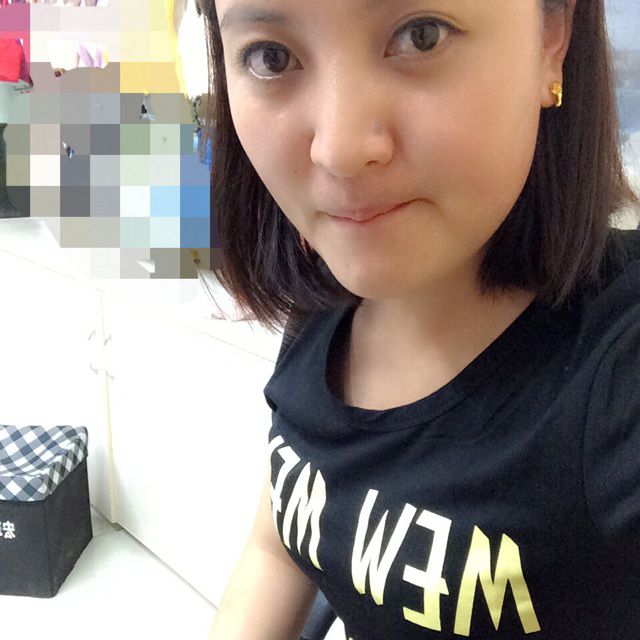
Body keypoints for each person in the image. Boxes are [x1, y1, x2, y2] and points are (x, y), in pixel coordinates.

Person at [203, 0, 640, 638]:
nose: (339, 150)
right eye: (271, 57)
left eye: (421, 35)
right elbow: (275, 549)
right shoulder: (326, 306)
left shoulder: (618, 376)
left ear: (552, 36)